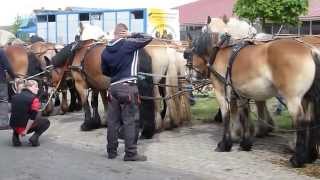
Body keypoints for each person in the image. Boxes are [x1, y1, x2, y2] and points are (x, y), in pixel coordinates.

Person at [101, 23, 152, 161]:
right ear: (124, 32)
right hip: (128, 88)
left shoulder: (105, 51)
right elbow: (148, 37)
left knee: (112, 121)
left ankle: (111, 151)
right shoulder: (128, 44)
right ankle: (130, 153)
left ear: (114, 33)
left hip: (113, 88)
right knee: (130, 121)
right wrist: (131, 35)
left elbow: (104, 71)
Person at [9, 80, 50, 147]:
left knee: (19, 115)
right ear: (30, 87)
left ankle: (15, 137)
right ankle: (34, 138)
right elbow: (32, 117)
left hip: (14, 126)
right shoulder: (34, 99)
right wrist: (26, 130)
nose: (38, 88)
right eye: (36, 86)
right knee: (46, 122)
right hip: (23, 128)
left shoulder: (14, 97)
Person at [0, 48, 17, 130]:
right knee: (3, 100)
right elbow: (8, 66)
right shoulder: (1, 51)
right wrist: (14, 76)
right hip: (1, 81)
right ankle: (3, 124)